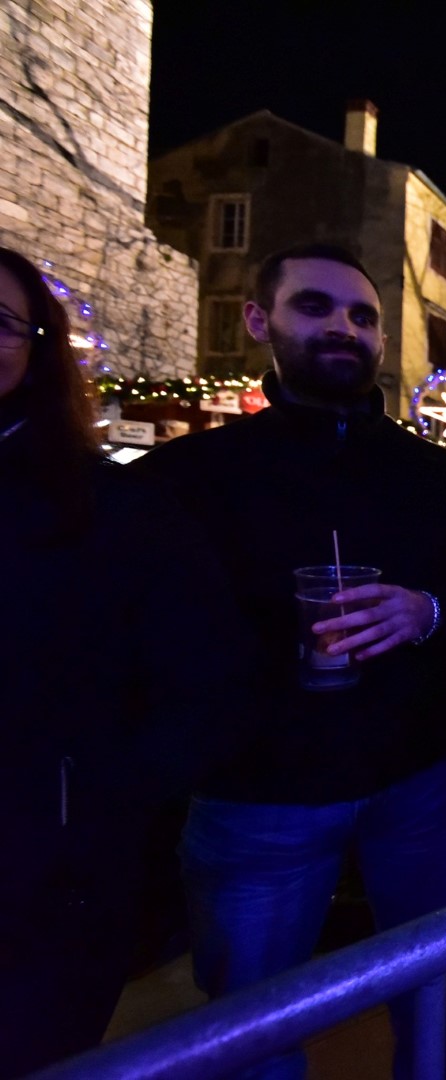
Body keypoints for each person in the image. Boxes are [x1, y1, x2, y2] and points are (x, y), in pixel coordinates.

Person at [133, 243, 446, 1079]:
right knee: (254, 1022)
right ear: (258, 319)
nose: (344, 328)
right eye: (315, 307)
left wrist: (429, 611)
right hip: (257, 797)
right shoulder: (188, 480)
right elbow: (146, 641)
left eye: (363, 315)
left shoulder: (445, 482)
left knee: (431, 993)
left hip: (420, 780)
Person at [0, 246, 255, 1076]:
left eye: (0, 322)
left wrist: (89, 804)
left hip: (42, 895)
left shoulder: (111, 509)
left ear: (35, 348)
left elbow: (205, 680)